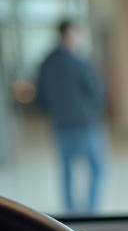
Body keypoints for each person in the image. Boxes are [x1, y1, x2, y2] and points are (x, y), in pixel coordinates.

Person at [35, 19, 107, 214]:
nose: (81, 37)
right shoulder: (80, 62)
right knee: (97, 169)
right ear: (69, 34)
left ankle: (70, 212)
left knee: (66, 171)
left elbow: (40, 96)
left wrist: (57, 112)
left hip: (61, 125)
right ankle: (91, 211)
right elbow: (97, 92)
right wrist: (93, 112)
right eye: (78, 32)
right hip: (86, 125)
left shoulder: (47, 62)